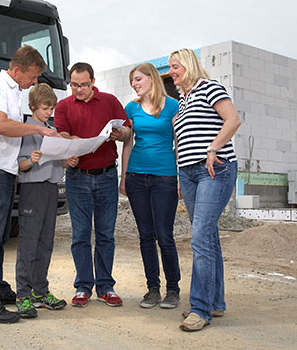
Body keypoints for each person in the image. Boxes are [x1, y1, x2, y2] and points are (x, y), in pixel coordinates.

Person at [0, 45, 59, 324]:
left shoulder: (12, 92)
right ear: (17, 69)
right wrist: (37, 128)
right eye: (32, 76)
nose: (34, 82)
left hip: (5, 173)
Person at [168, 49, 242, 332]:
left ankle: (200, 308)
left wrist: (213, 149)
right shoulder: (182, 101)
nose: (172, 72)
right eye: (171, 67)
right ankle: (215, 302)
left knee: (199, 237)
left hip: (214, 169)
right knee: (208, 237)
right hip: (188, 173)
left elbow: (232, 120)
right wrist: (178, 175)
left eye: (176, 66)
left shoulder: (209, 87)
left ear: (188, 65)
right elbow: (183, 143)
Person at [54, 62, 131, 308]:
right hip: (78, 177)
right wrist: (73, 146)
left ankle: (106, 287)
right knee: (81, 235)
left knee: (106, 234)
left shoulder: (109, 101)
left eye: (84, 85)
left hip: (108, 176)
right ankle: (83, 287)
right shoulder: (63, 106)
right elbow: (62, 135)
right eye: (74, 85)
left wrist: (120, 135)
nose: (79, 89)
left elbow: (128, 131)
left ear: (93, 82)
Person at [119, 63, 181, 310]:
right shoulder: (131, 108)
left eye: (137, 79)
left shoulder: (174, 106)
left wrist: (179, 177)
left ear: (151, 78)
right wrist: (123, 177)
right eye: (132, 81)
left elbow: (180, 142)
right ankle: (152, 289)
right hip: (136, 177)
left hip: (164, 178)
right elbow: (127, 144)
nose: (134, 84)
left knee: (165, 235)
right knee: (145, 235)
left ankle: (173, 290)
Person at [14, 83, 77, 318]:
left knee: (45, 242)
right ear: (32, 106)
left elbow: (56, 161)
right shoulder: (25, 130)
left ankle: (40, 291)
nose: (48, 113)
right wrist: (31, 159)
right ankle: (23, 295)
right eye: (44, 108)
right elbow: (20, 166)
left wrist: (66, 161)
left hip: (51, 188)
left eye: (51, 108)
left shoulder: (52, 130)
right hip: (32, 189)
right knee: (29, 243)